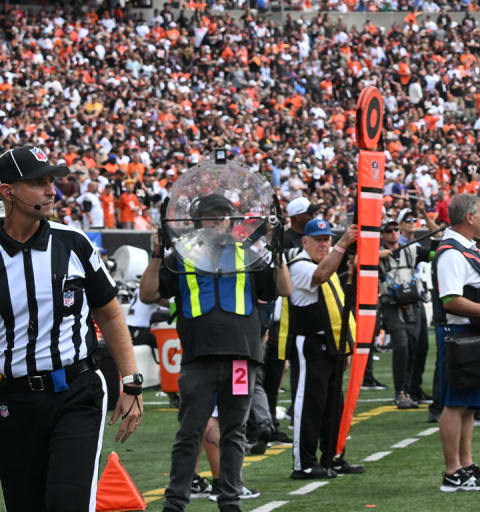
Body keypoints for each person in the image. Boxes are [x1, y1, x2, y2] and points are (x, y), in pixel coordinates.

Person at [0, 145, 144, 511]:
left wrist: (130, 381)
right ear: (7, 191)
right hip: (12, 400)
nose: (51, 190)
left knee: (69, 502)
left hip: (75, 392)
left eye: (52, 181)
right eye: (38, 182)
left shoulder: (73, 243)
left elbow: (110, 314)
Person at [140, 191, 291, 512]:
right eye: (211, 217)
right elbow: (149, 293)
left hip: (241, 357)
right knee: (190, 432)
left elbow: (283, 289)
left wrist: (278, 252)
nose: (217, 222)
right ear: (197, 222)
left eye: (222, 216)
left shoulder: (248, 255)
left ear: (230, 220)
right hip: (199, 358)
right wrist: (156, 253)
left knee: (234, 433)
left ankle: (230, 500)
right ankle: (175, 502)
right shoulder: (182, 255)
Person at [432, 194, 480, 492]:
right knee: (454, 403)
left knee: (469, 405)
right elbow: (450, 299)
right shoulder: (451, 252)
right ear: (468, 217)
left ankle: (466, 464)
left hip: (472, 334)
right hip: (458, 335)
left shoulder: (465, 248)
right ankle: (452, 471)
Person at [281, 218, 364, 479]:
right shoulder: (300, 267)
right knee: (309, 404)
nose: (323, 244)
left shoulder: (326, 262)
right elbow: (320, 276)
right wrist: (341, 246)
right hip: (311, 344)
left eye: (327, 239)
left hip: (330, 344)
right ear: (304, 241)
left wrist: (345, 346)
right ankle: (303, 463)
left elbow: (337, 308)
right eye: (318, 240)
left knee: (332, 406)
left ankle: (332, 456)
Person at [378, 220, 426, 409]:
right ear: (383, 234)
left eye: (396, 230)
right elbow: (355, 260)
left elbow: (435, 253)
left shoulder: (411, 250)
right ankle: (400, 391)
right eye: (388, 231)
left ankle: (410, 389)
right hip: (391, 304)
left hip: (412, 304)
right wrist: (376, 255)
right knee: (401, 345)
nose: (393, 233)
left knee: (414, 346)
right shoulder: (377, 255)